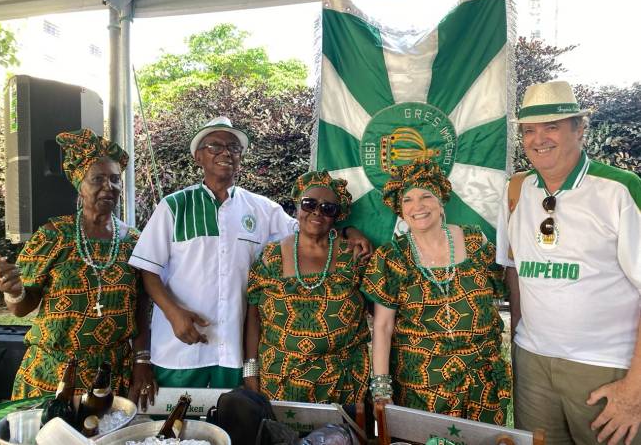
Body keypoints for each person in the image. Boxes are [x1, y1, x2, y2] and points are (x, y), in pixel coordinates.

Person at [128, 117, 372, 389]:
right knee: (176, 428)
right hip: (179, 349)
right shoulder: (174, 207)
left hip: (232, 350)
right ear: (198, 157)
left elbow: (310, 227)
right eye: (214, 146)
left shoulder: (261, 209)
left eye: (234, 147)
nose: (226, 153)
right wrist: (173, 313)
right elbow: (147, 270)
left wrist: (349, 231)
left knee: (231, 427)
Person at [496, 80, 641, 445]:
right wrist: (517, 342)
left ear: (579, 129)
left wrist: (634, 391)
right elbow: (514, 271)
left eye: (552, 127)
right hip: (533, 363)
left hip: (606, 366)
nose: (538, 139)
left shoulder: (620, 190)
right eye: (529, 130)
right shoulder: (516, 189)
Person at [0, 128, 156, 409]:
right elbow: (21, 308)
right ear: (80, 184)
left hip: (111, 375)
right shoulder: (53, 235)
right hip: (52, 373)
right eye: (98, 179)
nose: (109, 187)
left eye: (115, 179)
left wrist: (142, 361)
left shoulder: (133, 241)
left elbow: (141, 304)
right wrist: (14, 292)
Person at [362, 158, 511, 425]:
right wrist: (382, 389)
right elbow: (383, 326)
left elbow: (499, 294)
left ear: (441, 202)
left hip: (481, 382)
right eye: (407, 200)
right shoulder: (392, 257)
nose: (417, 206)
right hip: (421, 385)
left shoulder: (476, 242)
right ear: (400, 210)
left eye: (426, 196)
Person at [243, 170, 371, 403]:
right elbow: (253, 315)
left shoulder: (353, 255)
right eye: (309, 204)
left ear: (336, 216)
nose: (317, 212)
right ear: (297, 207)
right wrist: (250, 371)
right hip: (279, 380)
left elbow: (379, 311)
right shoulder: (271, 256)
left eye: (327, 208)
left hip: (343, 383)